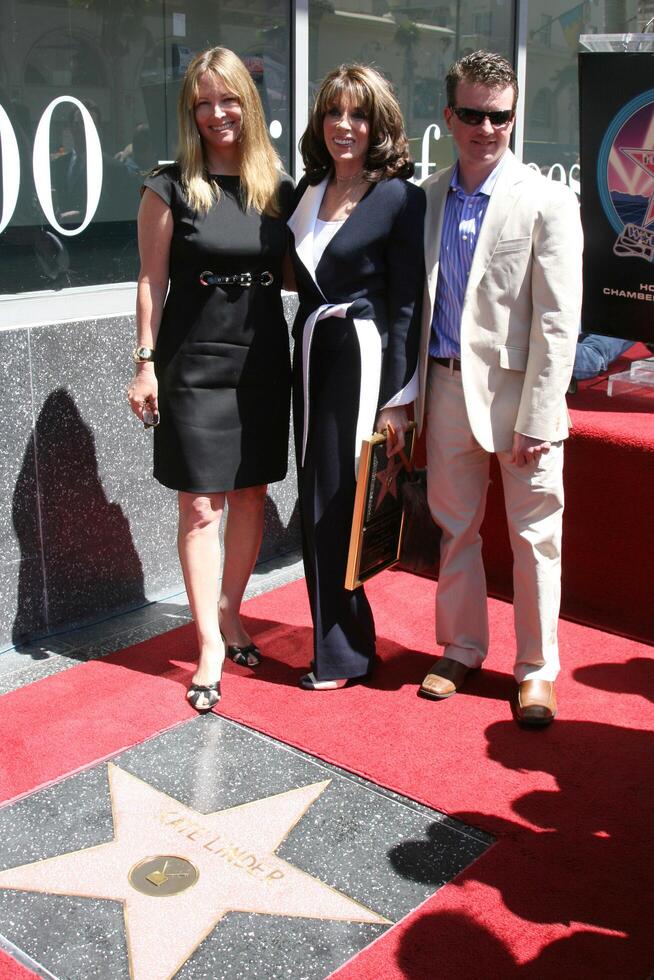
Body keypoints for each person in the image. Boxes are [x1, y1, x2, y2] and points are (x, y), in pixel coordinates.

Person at [416, 51, 583, 725]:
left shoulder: (546, 199)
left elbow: (559, 318)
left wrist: (542, 415)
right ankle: (461, 646)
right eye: (474, 114)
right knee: (455, 531)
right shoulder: (423, 198)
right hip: (445, 386)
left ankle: (537, 668)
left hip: (523, 398)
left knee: (535, 536)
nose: (488, 128)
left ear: (515, 117)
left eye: (501, 115)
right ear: (450, 115)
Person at [127, 47, 294, 712]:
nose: (216, 112)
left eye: (229, 100)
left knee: (251, 495)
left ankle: (231, 612)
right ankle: (208, 647)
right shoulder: (167, 187)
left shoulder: (276, 190)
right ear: (190, 111)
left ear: (248, 106)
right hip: (193, 367)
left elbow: (293, 273)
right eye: (204, 102)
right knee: (201, 506)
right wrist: (145, 363)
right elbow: (150, 281)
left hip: (259, 364)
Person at [288, 64, 425, 690]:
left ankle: (343, 652)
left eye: (359, 114)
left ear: (379, 124)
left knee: (340, 500)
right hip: (312, 353)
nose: (345, 126)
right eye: (334, 113)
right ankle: (347, 644)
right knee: (316, 494)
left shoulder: (399, 195)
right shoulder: (308, 190)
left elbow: (406, 304)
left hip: (363, 359)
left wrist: (398, 399)